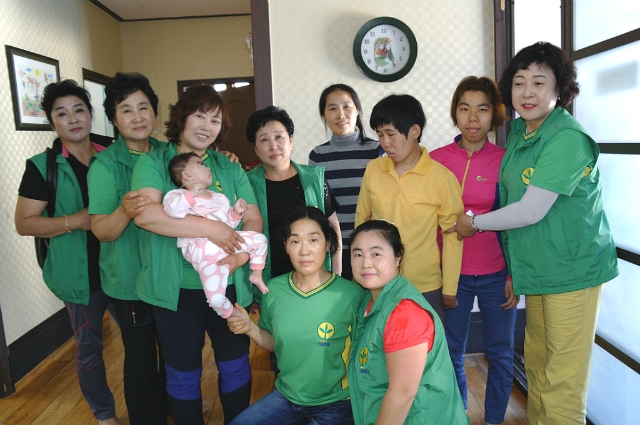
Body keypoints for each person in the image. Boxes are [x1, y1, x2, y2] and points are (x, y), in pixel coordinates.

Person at [446, 42, 619, 425]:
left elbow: (529, 210)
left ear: (560, 89)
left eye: (539, 82)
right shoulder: (523, 135)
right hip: (539, 271)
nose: (527, 92)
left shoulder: (566, 138)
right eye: (519, 82)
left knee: (562, 383)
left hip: (571, 274)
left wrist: (474, 223)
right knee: (538, 367)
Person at [131, 84, 263, 425]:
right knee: (183, 374)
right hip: (175, 290)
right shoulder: (154, 162)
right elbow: (147, 216)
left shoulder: (227, 167)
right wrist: (211, 229)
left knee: (235, 365)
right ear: (182, 117)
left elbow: (253, 218)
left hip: (228, 280)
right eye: (200, 116)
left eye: (215, 120)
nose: (207, 126)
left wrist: (241, 257)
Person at [14, 80, 119, 425]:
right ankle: (104, 415)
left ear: (91, 115)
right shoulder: (42, 167)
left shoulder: (114, 152)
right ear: (52, 122)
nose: (73, 119)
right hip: (79, 275)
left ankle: (157, 401)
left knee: (145, 341)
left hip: (124, 268)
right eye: (62, 114)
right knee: (89, 349)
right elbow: (25, 223)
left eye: (79, 110)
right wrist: (77, 220)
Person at [430, 76, 517, 425]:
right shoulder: (435, 160)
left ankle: (494, 419)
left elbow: (517, 220)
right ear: (455, 112)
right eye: (465, 108)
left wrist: (514, 274)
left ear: (494, 114)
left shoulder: (506, 161)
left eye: (482, 109)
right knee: (451, 351)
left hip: (497, 274)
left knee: (501, 353)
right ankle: (459, 417)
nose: (473, 118)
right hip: (452, 276)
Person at [227, 206, 362, 425]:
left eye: (313, 240)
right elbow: (274, 342)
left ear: (328, 244)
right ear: (285, 246)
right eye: (295, 241)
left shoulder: (351, 295)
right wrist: (250, 328)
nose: (304, 251)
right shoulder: (274, 290)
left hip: (336, 403)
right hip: (286, 397)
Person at [87, 72, 168, 425]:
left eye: (143, 107)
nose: (137, 117)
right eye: (126, 110)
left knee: (174, 351)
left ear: (156, 113)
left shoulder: (170, 153)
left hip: (168, 274)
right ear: (114, 120)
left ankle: (169, 408)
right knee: (141, 358)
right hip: (130, 281)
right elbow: (101, 231)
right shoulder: (105, 165)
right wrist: (123, 211)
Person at [354, 94, 463, 322]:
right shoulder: (374, 169)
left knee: (426, 344)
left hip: (425, 286)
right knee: (379, 342)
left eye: (391, 134)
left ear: (415, 131)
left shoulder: (441, 178)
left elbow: (453, 235)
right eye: (380, 135)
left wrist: (450, 287)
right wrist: (361, 271)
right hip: (381, 283)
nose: (385, 143)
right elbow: (362, 221)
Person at [348, 220, 469, 425]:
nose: (365, 263)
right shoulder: (368, 300)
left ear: (398, 257)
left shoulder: (404, 313)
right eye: (358, 254)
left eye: (376, 254)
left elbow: (402, 394)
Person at [246, 105, 341, 296]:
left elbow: (333, 227)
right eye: (264, 140)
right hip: (268, 284)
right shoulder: (247, 184)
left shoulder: (315, 179)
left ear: (290, 141)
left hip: (316, 280)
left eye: (279, 137)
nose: (273, 146)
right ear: (255, 149)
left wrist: (337, 275)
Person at [163, 152, 268, 318]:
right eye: (201, 164)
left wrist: (236, 213)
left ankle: (256, 274)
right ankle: (230, 312)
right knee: (215, 299)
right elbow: (173, 211)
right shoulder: (177, 195)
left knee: (260, 240)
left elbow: (228, 225)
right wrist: (191, 194)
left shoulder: (219, 198)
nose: (208, 168)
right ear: (187, 175)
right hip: (204, 253)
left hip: (227, 244)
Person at [309, 83, 384, 280]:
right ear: (324, 115)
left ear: (357, 110)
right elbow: (318, 206)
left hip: (372, 245)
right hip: (334, 248)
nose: (340, 114)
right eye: (332, 108)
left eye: (346, 107)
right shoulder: (318, 156)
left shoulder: (376, 151)